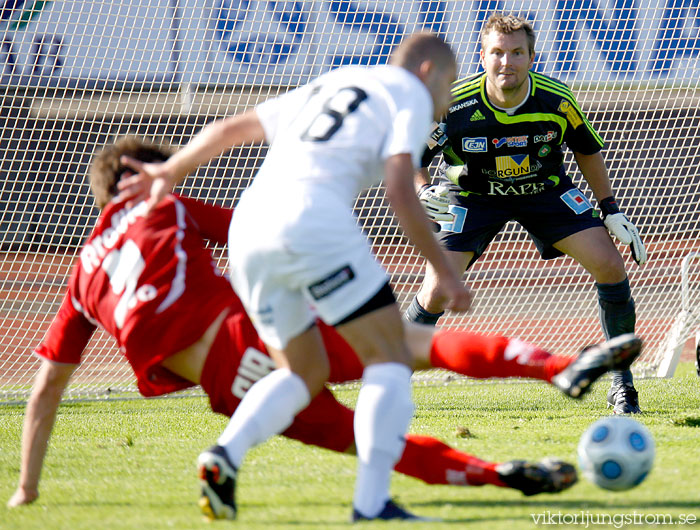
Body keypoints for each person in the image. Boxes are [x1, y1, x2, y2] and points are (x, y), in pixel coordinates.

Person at [8, 138, 642, 514]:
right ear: (153, 178)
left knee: (365, 443)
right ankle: (560, 367)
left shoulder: (82, 276)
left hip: (229, 388)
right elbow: (261, 233)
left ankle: (497, 475)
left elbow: (45, 391)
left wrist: (26, 491)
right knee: (408, 344)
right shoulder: (166, 203)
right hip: (251, 336)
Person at [118, 32, 474, 522]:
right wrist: (443, 270)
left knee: (302, 371)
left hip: (249, 226)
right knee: (390, 355)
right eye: (450, 83)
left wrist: (172, 170)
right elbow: (399, 186)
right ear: (428, 71)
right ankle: (372, 505)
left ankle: (224, 455)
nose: (449, 98)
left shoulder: (340, 80)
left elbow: (230, 128)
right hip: (312, 219)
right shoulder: (408, 92)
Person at [405, 13, 647, 416]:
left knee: (610, 265)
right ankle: (393, 377)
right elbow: (413, 155)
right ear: (481, 57)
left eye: (517, 52)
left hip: (545, 191)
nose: (507, 62)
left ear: (532, 57)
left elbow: (587, 149)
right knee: (436, 291)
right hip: (472, 197)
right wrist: (422, 190)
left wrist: (610, 209)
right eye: (497, 52)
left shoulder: (557, 99)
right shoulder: (453, 103)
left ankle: (622, 382)